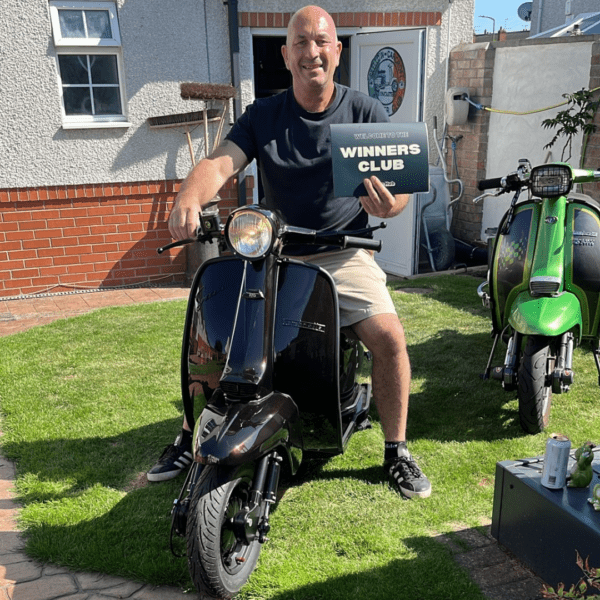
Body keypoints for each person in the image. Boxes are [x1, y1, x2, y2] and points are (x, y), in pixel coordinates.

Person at [147, 5, 431, 499]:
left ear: (337, 52)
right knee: (214, 334)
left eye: (321, 41)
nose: (311, 51)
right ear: (285, 54)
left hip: (344, 252)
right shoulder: (263, 115)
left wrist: (391, 202)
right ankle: (192, 434)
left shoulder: (364, 112)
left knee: (388, 339)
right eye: (300, 42)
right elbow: (219, 162)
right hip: (272, 254)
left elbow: (400, 189)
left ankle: (397, 451)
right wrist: (188, 197)